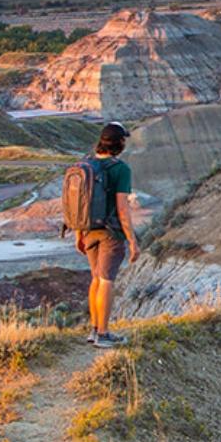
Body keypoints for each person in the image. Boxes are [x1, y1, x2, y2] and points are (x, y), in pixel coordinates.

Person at [75, 122, 139, 348]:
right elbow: (122, 208)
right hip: (111, 233)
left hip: (88, 230)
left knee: (95, 278)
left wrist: (78, 235)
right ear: (119, 143)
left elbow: (80, 204)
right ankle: (103, 333)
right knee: (107, 280)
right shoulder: (120, 169)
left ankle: (94, 329)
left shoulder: (87, 165)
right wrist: (132, 240)